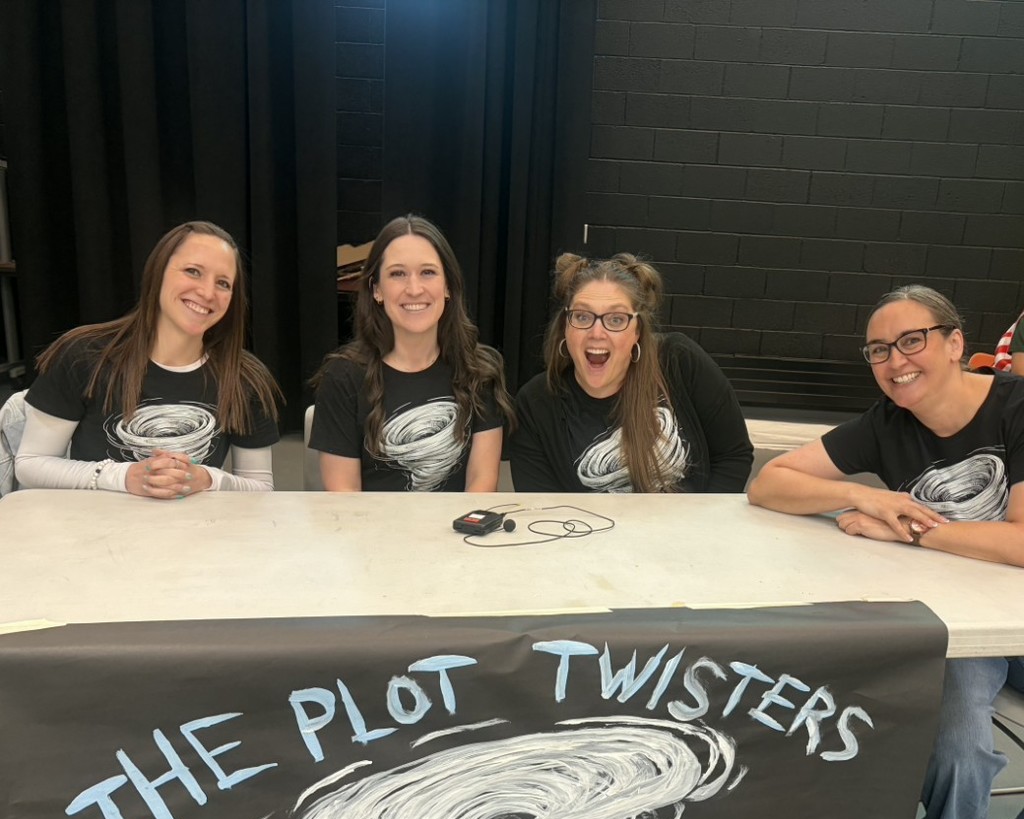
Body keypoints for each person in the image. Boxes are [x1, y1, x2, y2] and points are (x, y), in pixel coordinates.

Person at [747, 284, 1024, 819]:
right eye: (878, 350)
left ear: (956, 344)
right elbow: (768, 483)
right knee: (958, 743)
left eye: (911, 341)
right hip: (965, 620)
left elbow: (1022, 542)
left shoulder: (1017, 407)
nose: (895, 361)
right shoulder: (887, 424)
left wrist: (916, 535)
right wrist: (868, 497)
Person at [16, 221, 281, 496]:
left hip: (195, 532)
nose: (207, 292)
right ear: (158, 273)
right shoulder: (84, 355)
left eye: (223, 283)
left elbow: (260, 489)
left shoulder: (245, 376)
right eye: (193, 272)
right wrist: (123, 476)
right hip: (94, 529)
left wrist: (207, 480)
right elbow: (31, 464)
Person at [508, 252, 752, 493]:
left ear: (637, 331)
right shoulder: (535, 403)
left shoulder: (679, 361)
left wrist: (699, 529)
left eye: (616, 320)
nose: (596, 333)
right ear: (565, 327)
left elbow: (733, 455)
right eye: (582, 316)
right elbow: (545, 506)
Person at [310, 215, 512, 492]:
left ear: (448, 286)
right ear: (377, 290)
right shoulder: (341, 378)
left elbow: (481, 486)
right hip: (368, 533)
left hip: (456, 534)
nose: (414, 289)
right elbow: (344, 499)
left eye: (428, 272)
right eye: (397, 274)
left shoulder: (481, 371)